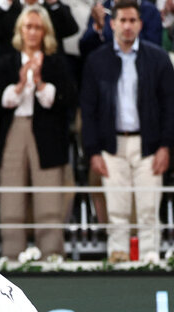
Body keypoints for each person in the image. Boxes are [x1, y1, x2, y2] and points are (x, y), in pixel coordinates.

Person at [81, 0, 174, 262]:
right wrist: (93, 151)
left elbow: (169, 105)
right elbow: (88, 110)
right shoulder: (96, 61)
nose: (127, 26)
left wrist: (166, 146)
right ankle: (118, 260)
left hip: (149, 146)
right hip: (111, 146)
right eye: (122, 20)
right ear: (112, 24)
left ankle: (150, 261)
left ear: (141, 24)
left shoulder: (157, 58)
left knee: (148, 209)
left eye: (133, 21)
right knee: (117, 210)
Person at [0, 6, 74, 259]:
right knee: (11, 197)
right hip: (14, 131)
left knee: (49, 198)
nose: (32, 32)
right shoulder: (7, 61)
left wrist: (39, 81)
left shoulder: (56, 61)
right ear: (20, 30)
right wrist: (20, 85)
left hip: (48, 135)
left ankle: (51, 256)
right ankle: (11, 257)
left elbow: (64, 99)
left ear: (45, 32)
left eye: (37, 27)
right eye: (28, 26)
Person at [0, 0, 78, 57]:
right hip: (13, 69)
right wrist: (4, 6)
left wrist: (54, 3)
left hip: (50, 66)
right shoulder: (8, 7)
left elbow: (71, 29)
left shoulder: (52, 6)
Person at [79, 0, 161, 58]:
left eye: (132, 20)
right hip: (106, 71)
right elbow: (85, 49)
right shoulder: (102, 9)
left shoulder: (150, 11)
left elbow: (153, 51)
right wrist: (98, 27)